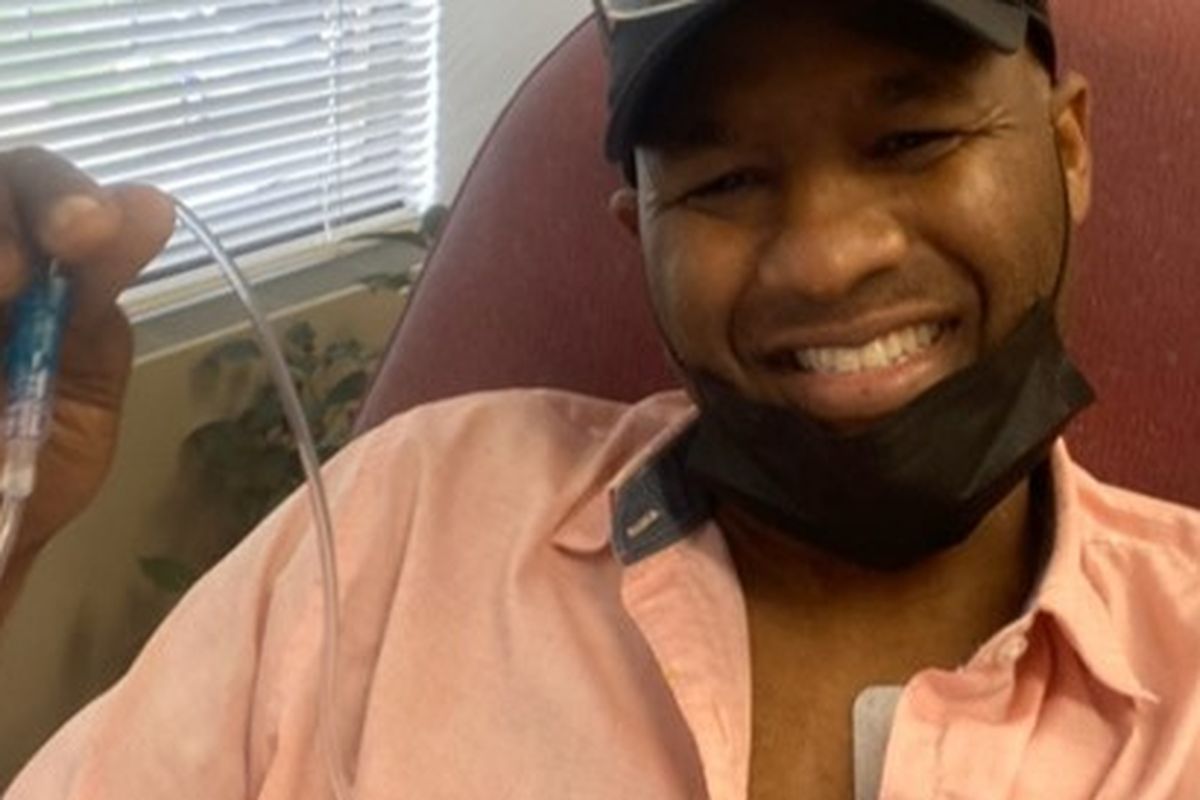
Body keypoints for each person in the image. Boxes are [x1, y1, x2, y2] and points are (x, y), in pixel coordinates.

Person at [2, 0, 1198, 797]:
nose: (828, 259)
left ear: (1069, 149)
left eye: (912, 138)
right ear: (641, 232)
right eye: (724, 180)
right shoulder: (403, 527)